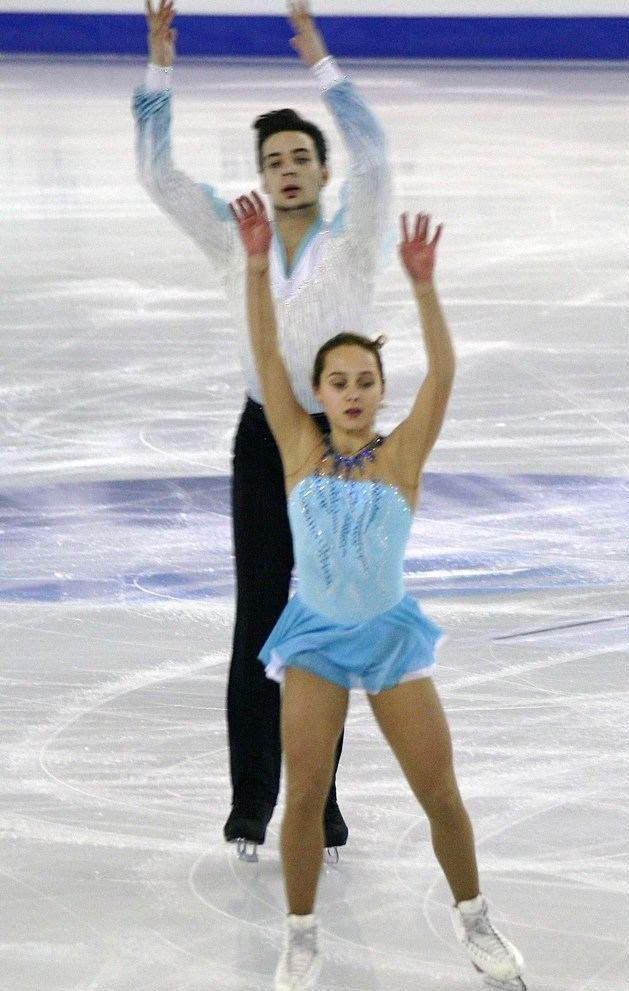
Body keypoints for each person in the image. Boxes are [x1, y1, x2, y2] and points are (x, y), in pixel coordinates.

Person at [230, 190, 527, 991]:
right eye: (338, 380)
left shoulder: (401, 459)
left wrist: (424, 287)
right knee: (305, 796)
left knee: (440, 792)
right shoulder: (298, 449)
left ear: (380, 391)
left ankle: (473, 920)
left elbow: (448, 371)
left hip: (390, 639)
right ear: (319, 393)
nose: (353, 391)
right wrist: (259, 267)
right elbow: (264, 352)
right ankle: (299, 938)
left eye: (365, 379)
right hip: (318, 640)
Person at [132, 0, 392, 856]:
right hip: (262, 439)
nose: (287, 171)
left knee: (325, 620)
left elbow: (378, 153)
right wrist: (159, 68)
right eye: (274, 161)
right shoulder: (234, 233)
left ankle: (317, 800)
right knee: (260, 620)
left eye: (300, 159)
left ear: (322, 172)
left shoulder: (352, 236)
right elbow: (158, 176)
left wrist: (321, 61)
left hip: (338, 448)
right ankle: (254, 801)